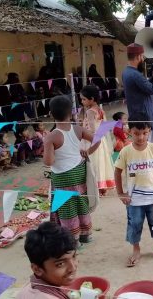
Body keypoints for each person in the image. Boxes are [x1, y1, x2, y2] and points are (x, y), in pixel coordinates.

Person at [114, 112, 153, 267]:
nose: (140, 137)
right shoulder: (125, 151)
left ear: (149, 132)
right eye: (136, 133)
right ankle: (136, 249)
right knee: (135, 224)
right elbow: (117, 171)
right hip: (133, 200)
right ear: (129, 132)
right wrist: (120, 193)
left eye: (144, 133)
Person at [44, 95, 99, 243]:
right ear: (71, 114)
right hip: (79, 172)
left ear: (50, 114)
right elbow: (97, 138)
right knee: (81, 202)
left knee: (66, 207)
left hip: (62, 176)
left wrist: (46, 143)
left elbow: (48, 161)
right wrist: (88, 152)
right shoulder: (78, 129)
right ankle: (85, 234)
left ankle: (71, 239)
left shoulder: (52, 136)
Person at [122, 43, 153, 146]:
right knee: (148, 148)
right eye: (142, 56)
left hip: (138, 113)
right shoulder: (135, 74)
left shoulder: (127, 71)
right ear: (138, 56)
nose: (143, 60)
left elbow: (145, 85)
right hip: (144, 115)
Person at [16, 222, 78, 299]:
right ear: (37, 269)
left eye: (74, 256)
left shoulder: (33, 284)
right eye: (60, 264)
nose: (73, 268)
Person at [80, 85, 116, 195]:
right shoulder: (100, 110)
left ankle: (94, 188)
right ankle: (102, 188)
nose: (82, 101)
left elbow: (92, 129)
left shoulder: (90, 112)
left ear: (92, 99)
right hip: (102, 140)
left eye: (84, 99)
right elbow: (103, 127)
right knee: (101, 163)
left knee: (93, 164)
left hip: (92, 140)